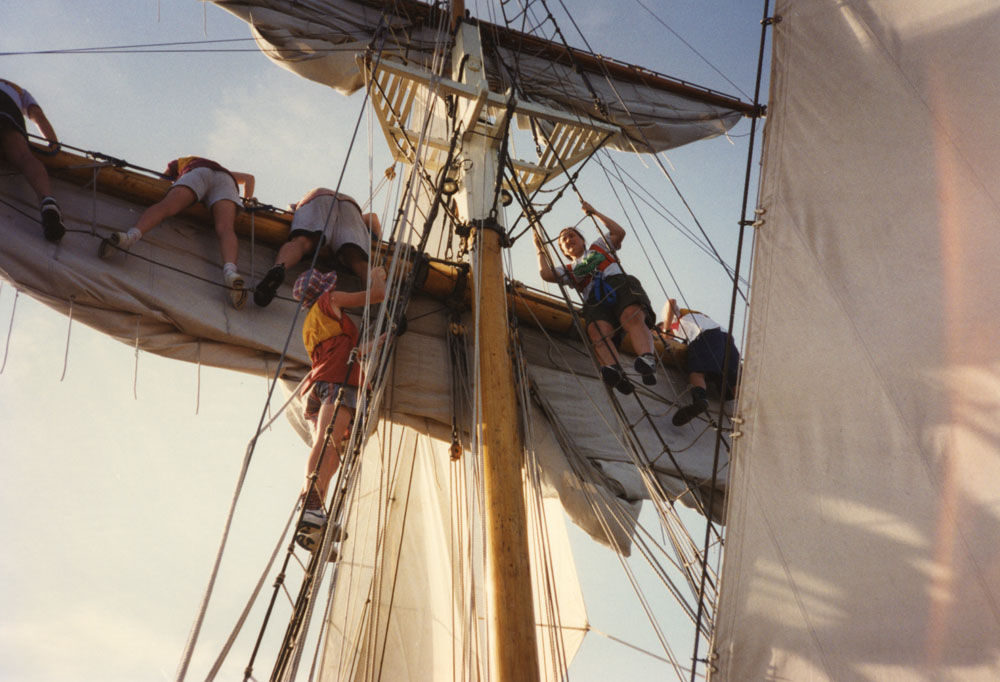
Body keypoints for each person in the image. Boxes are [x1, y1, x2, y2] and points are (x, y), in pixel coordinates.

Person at [293, 264, 387, 551]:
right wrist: (377, 275)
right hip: (337, 380)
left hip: (323, 382)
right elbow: (378, 295)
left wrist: (382, 340)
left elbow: (351, 351)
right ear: (324, 289)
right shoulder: (330, 302)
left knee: (331, 449)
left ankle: (315, 510)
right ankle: (310, 502)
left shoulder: (314, 322)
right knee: (328, 441)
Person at [99, 156, 255, 309]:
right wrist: (247, 201)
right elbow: (249, 178)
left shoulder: (181, 163)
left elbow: (160, 182)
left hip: (197, 173)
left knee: (166, 207)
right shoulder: (222, 170)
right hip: (225, 182)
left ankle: (130, 237)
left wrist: (176, 185)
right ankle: (230, 272)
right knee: (225, 228)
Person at [535, 200, 657, 395]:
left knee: (631, 315)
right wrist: (540, 248)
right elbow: (546, 274)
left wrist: (594, 212)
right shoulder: (568, 270)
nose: (568, 239)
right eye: (563, 240)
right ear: (564, 252)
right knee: (598, 332)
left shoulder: (598, 246)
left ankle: (647, 358)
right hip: (595, 299)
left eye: (572, 235)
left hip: (617, 282)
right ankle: (614, 370)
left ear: (582, 240)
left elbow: (619, 233)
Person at [253, 188, 382, 307]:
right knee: (359, 261)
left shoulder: (307, 200)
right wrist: (377, 239)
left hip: (318, 196)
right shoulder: (360, 217)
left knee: (302, 241)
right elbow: (373, 218)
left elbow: (289, 215)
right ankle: (380, 302)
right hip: (351, 206)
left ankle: (279, 268)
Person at [0, 78, 64, 242]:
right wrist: (53, 144)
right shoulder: (17, 89)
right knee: (23, 156)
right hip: (8, 107)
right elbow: (37, 116)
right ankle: (47, 201)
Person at [660, 299, 740, 426]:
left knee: (697, 371)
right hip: (726, 338)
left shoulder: (674, 319)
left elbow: (671, 302)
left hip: (706, 334)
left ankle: (700, 400)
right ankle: (746, 409)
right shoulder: (692, 324)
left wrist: (666, 328)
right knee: (730, 384)